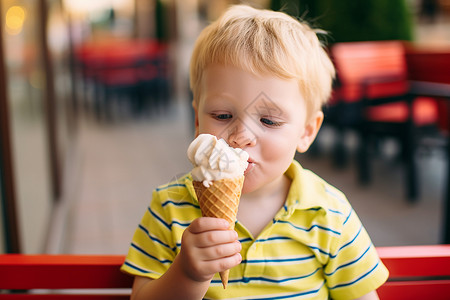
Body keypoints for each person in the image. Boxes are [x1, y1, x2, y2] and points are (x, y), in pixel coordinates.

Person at [121, 4, 389, 299]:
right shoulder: (170, 207)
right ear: (198, 121)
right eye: (223, 115)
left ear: (307, 131)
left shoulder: (330, 214)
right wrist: (187, 274)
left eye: (269, 121)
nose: (241, 136)